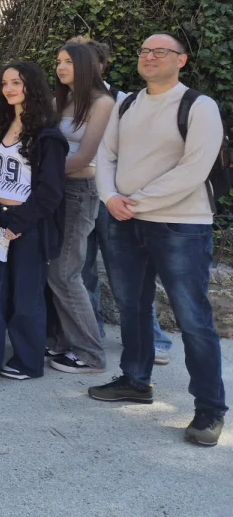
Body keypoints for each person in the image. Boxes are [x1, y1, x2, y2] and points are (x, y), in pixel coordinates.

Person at [91, 33, 226, 446]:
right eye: (144, 50)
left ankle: (209, 409)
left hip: (180, 225)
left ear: (181, 60)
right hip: (124, 219)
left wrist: (135, 202)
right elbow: (106, 155)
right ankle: (135, 380)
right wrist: (110, 197)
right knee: (132, 307)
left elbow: (194, 169)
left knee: (193, 318)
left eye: (160, 51)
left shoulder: (199, 106)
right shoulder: (127, 104)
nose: (149, 56)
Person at [0, 61, 68, 389]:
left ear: (32, 86)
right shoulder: (3, 125)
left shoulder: (49, 136)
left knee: (26, 296)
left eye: (17, 82)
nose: (9, 89)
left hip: (30, 224)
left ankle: (28, 361)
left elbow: (51, 191)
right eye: (5, 83)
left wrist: (21, 223)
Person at [75, 37, 172, 365]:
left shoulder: (124, 101)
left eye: (85, 62)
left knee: (125, 274)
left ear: (100, 66)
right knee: (82, 272)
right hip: (76, 197)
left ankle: (153, 339)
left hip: (112, 199)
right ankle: (93, 332)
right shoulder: (67, 102)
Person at [45, 42, 113, 374]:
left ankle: (91, 353)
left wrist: (42, 173)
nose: (61, 67)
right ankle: (62, 340)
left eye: (69, 61)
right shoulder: (61, 100)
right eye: (59, 61)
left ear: (85, 65)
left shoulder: (103, 103)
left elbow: (86, 156)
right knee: (54, 270)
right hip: (55, 189)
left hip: (80, 191)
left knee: (65, 273)